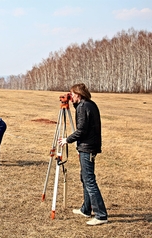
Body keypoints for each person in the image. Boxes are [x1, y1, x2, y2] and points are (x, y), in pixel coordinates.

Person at [58, 83, 108, 226]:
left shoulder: (83, 107)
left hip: (87, 147)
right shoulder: (88, 104)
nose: (70, 96)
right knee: (85, 178)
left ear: (78, 95)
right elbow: (84, 122)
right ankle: (86, 209)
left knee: (89, 181)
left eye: (72, 94)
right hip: (90, 146)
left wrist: (67, 140)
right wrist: (72, 103)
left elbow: (82, 130)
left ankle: (101, 215)